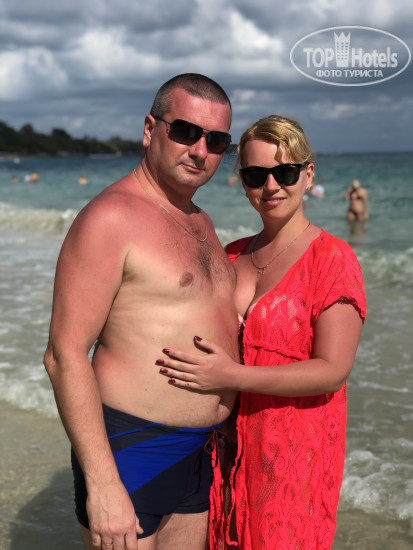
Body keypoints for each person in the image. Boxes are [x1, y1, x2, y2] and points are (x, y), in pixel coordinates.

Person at [43, 73, 239, 550]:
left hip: (198, 452)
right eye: (185, 131)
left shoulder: (202, 222)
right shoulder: (111, 217)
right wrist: (103, 484)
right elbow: (64, 354)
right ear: (150, 129)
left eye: (216, 141)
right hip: (133, 448)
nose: (200, 151)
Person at [157, 115, 367, 549]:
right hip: (220, 452)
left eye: (285, 172)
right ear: (243, 182)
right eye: (255, 175)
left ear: (308, 174)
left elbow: (333, 370)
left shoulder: (332, 258)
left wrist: (230, 376)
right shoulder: (232, 255)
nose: (271, 186)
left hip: (291, 455)